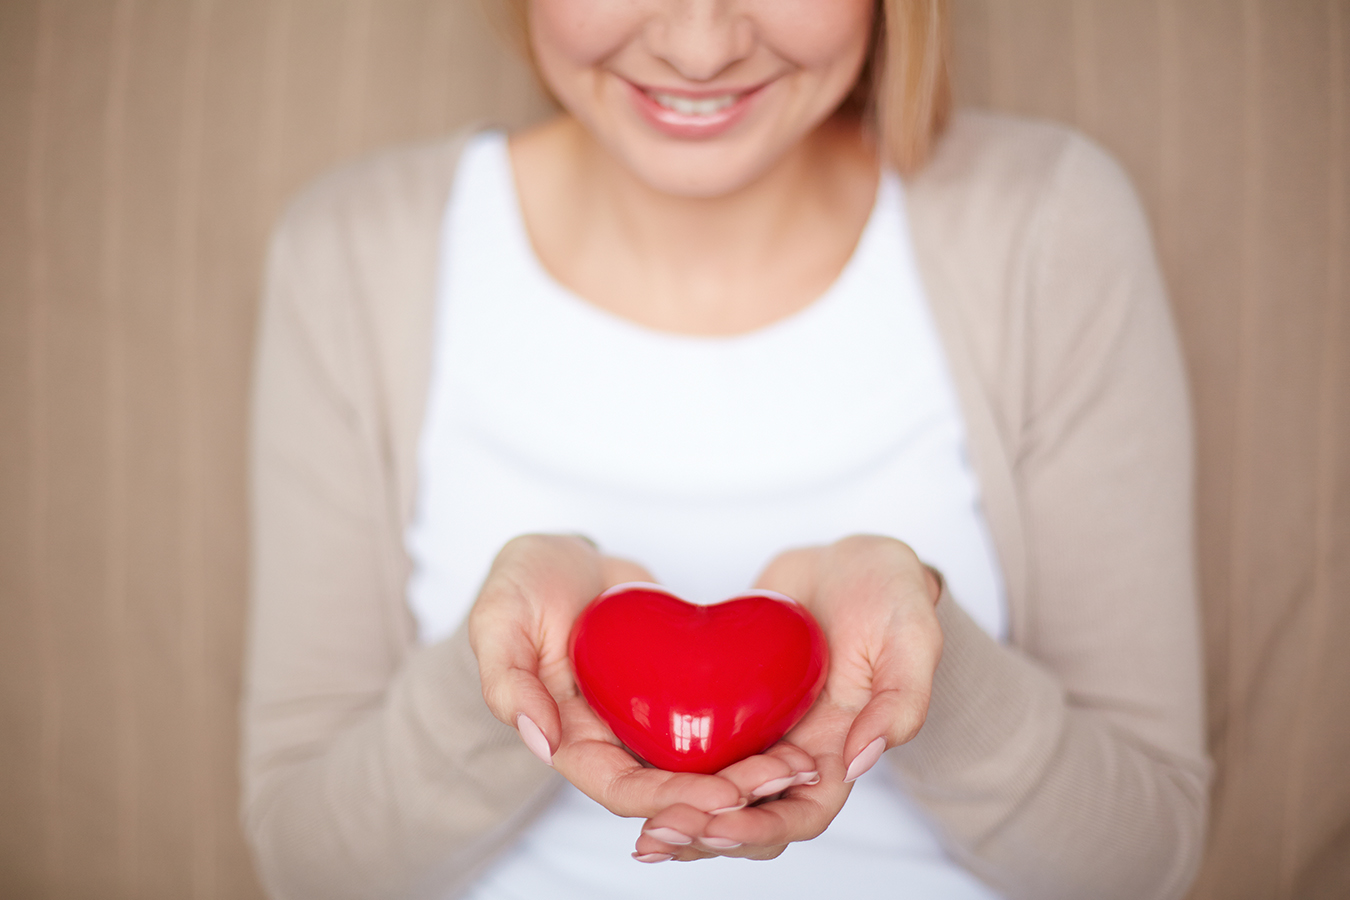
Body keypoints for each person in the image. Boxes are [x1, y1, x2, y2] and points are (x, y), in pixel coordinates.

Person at [241, 1, 1211, 898]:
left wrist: (923, 649)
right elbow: (308, 866)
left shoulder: (1046, 223)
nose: (699, 49)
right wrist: (506, 678)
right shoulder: (356, 252)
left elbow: (1143, 864)